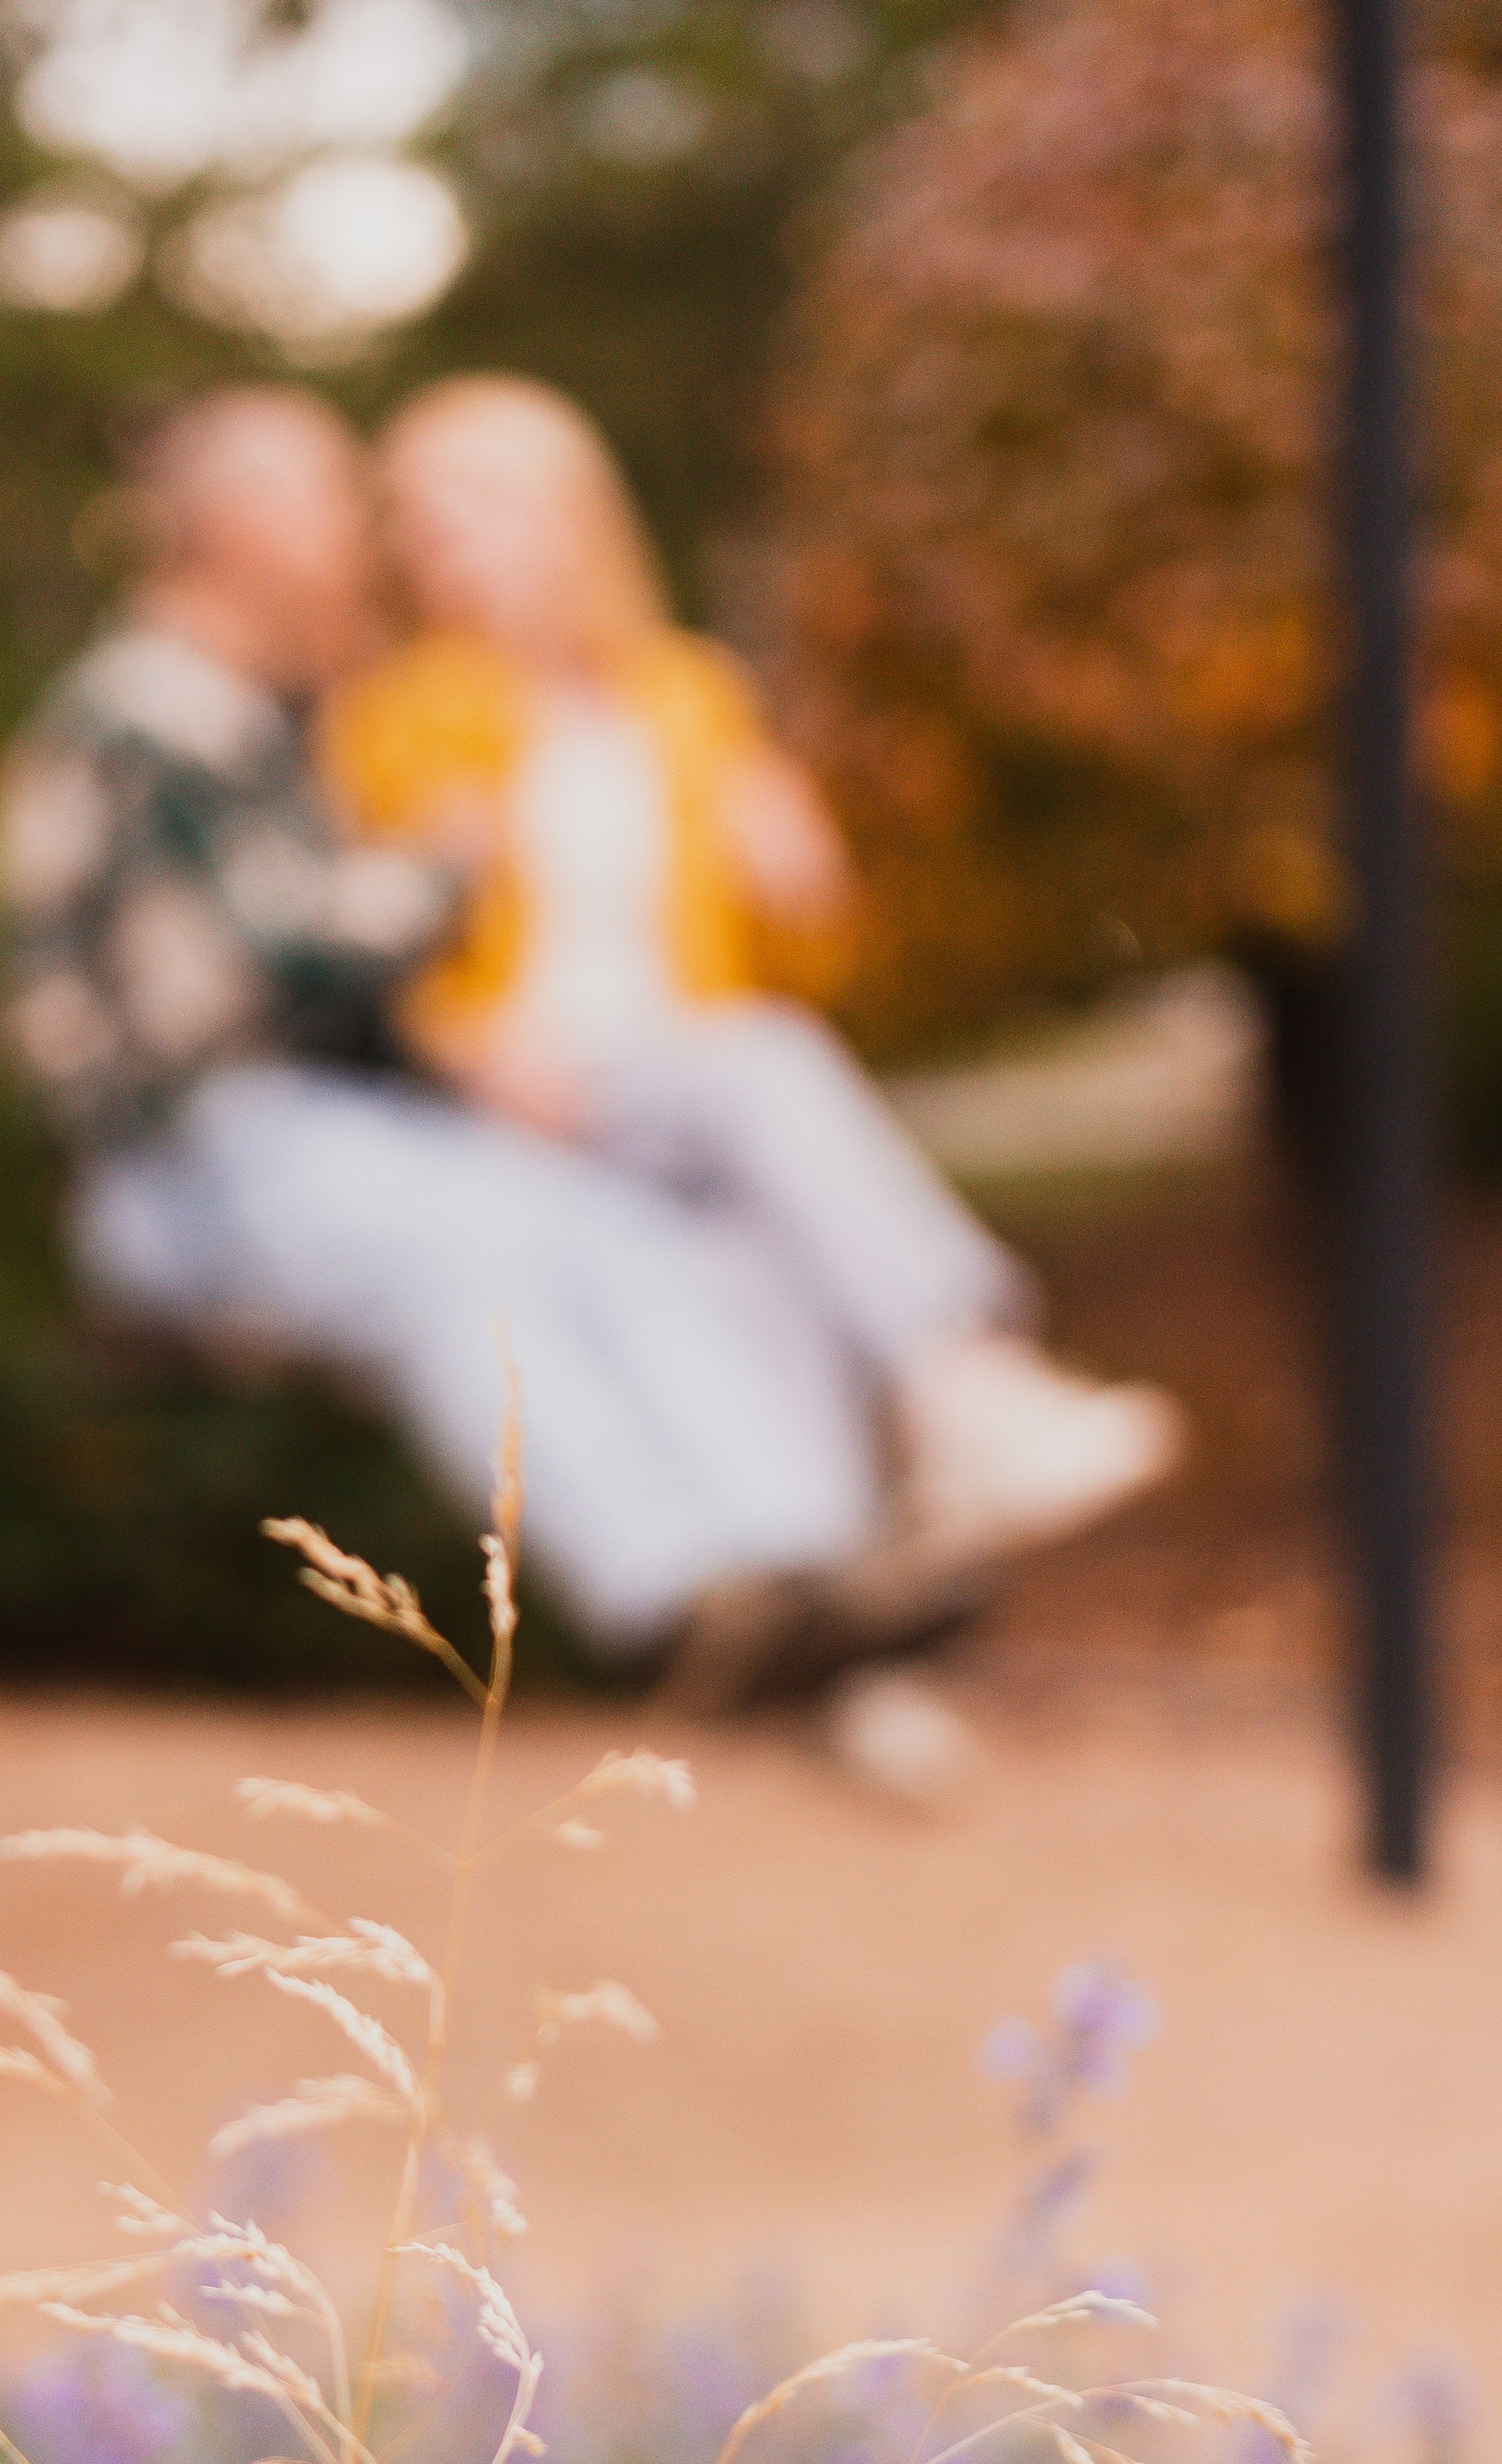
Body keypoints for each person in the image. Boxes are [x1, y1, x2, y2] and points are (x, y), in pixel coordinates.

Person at [321, 375, 1185, 1681]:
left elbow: (797, 963)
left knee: (764, 1292)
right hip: (552, 1091)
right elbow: (372, 970)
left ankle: (844, 1651)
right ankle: (963, 1387)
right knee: (765, 1074)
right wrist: (471, 1051)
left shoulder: (688, 696)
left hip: (690, 1076)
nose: (442, 545)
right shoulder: (396, 716)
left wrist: (805, 881)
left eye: (472, 506)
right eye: (418, 521)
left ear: (568, 510)